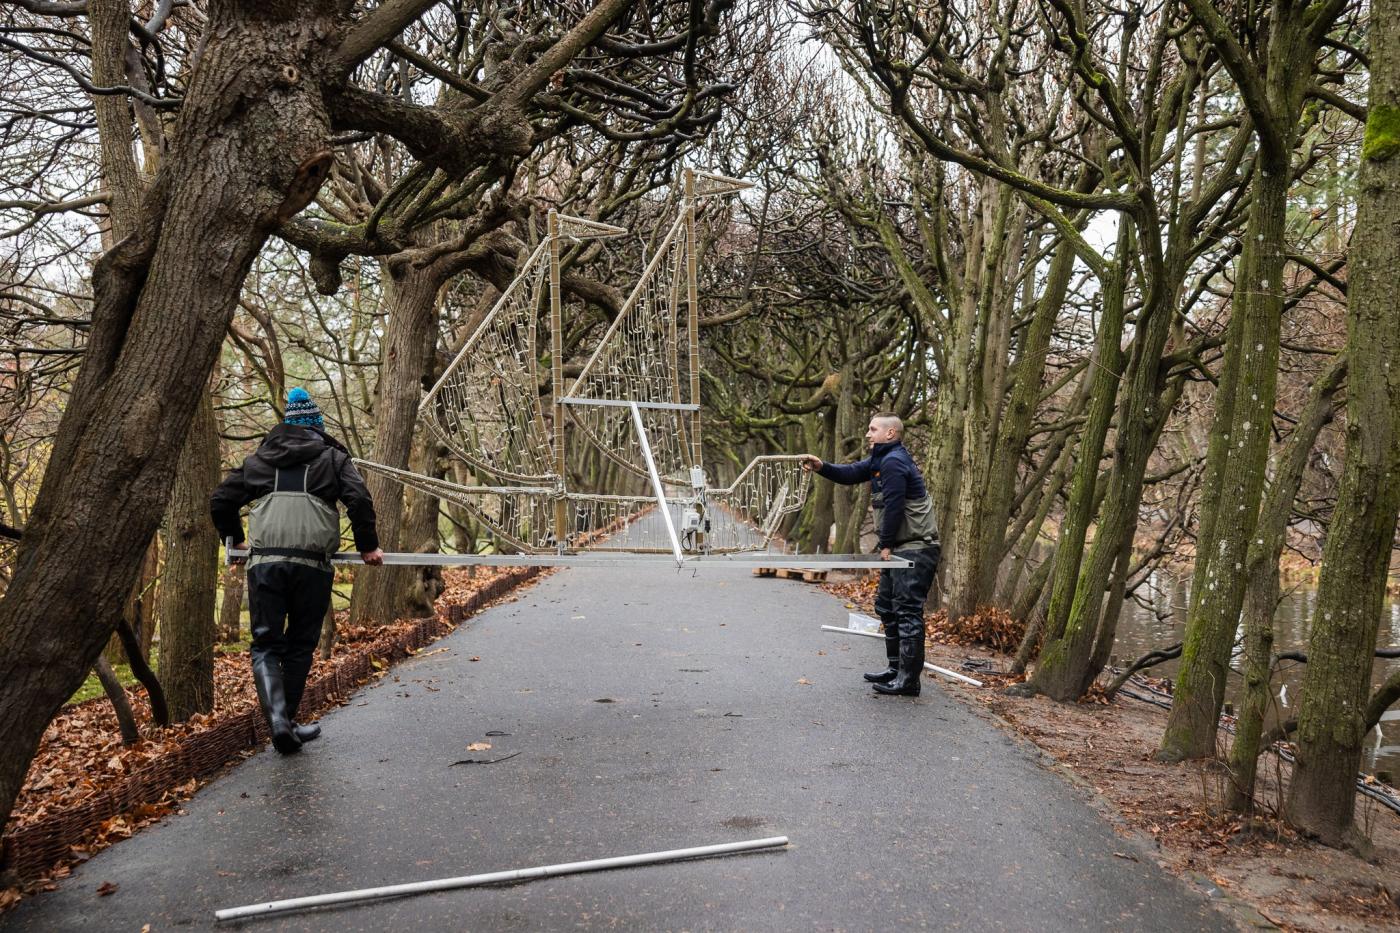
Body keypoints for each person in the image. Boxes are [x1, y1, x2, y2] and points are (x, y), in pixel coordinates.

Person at [211, 388, 383, 753]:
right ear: (316, 428)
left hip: (266, 567)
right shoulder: (333, 460)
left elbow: (221, 500)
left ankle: (280, 723)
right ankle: (284, 723)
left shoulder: (258, 461)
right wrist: (368, 545)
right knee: (301, 644)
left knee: (266, 644)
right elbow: (359, 500)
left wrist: (235, 539)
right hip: (312, 568)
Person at [800, 412, 939, 696]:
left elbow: (895, 505)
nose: (867, 434)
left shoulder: (894, 462)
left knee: (907, 611)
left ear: (890, 434)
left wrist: (885, 544)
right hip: (901, 547)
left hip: (915, 547)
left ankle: (908, 680)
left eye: (873, 429)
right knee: (887, 607)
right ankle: (894, 669)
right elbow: (850, 473)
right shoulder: (881, 459)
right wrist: (821, 466)